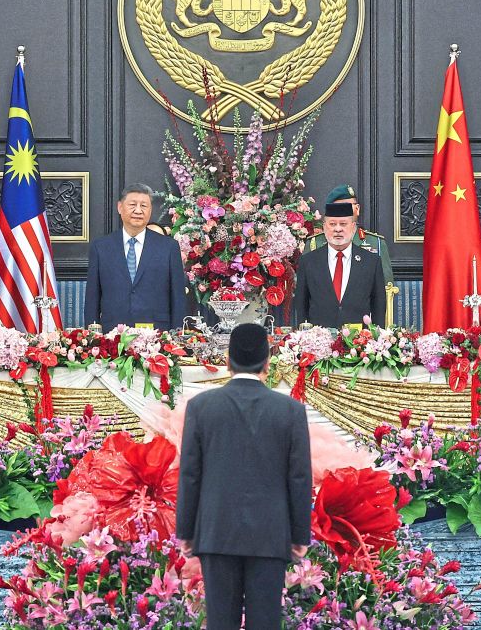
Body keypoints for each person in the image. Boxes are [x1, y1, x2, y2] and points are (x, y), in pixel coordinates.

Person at [176, 323, 311, 630]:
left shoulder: (201, 407)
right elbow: (300, 478)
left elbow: (190, 474)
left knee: (221, 623)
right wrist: (300, 534)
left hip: (216, 532)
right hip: (270, 534)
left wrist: (185, 530)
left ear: (227, 360)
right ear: (267, 361)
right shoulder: (290, 410)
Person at [84, 183, 186, 330]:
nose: (138, 210)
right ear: (120, 207)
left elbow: (178, 297)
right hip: (112, 335)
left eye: (144, 206)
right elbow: (92, 297)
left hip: (158, 335)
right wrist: (92, 336)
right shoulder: (101, 247)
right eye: (132, 204)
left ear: (150, 211)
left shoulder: (169, 247)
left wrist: (176, 336)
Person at [293, 202, 386, 327]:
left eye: (343, 224)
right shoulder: (308, 261)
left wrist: (376, 341)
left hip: (358, 342)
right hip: (319, 341)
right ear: (325, 227)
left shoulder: (371, 262)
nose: (338, 229)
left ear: (353, 227)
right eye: (332, 224)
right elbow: (301, 305)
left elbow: (378, 307)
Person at [304, 184, 393, 287]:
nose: (344, 212)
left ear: (357, 209)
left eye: (348, 206)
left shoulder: (376, 243)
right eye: (338, 208)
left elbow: (387, 287)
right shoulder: (314, 243)